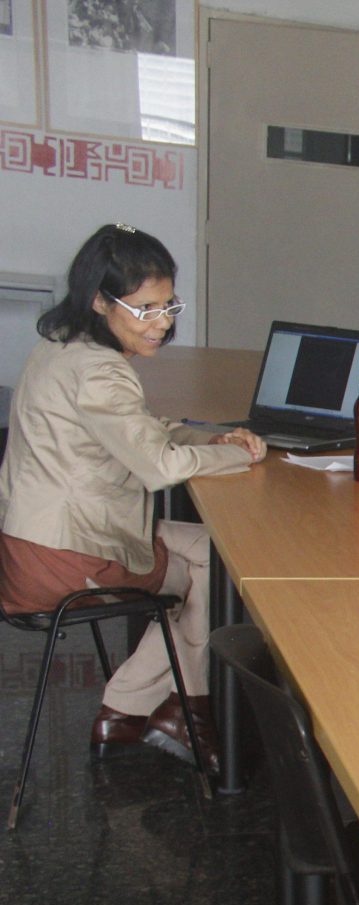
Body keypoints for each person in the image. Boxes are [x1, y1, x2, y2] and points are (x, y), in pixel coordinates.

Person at [0, 224, 267, 771]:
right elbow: (159, 466)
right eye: (145, 309)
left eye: (169, 305)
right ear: (100, 301)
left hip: (35, 539)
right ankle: (186, 711)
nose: (162, 322)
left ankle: (128, 710)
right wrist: (242, 456)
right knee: (224, 568)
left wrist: (212, 440)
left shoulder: (63, 346)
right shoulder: (100, 371)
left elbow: (143, 430)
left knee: (215, 552)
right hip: (67, 557)